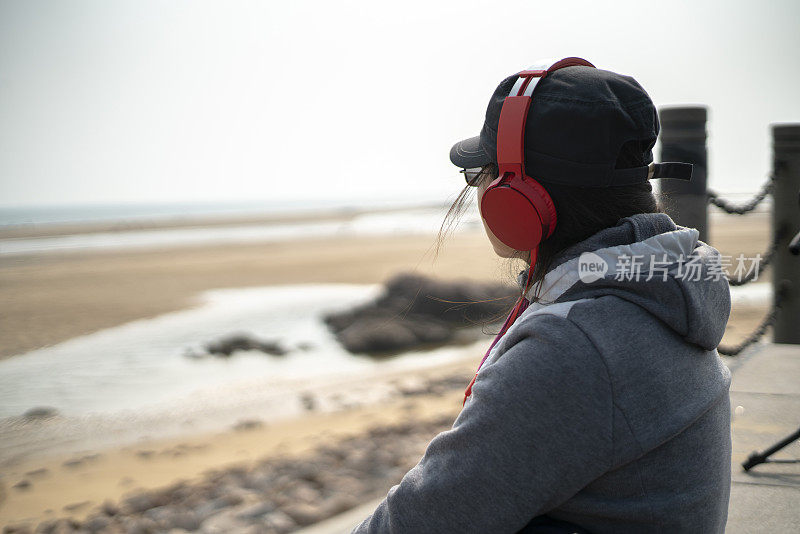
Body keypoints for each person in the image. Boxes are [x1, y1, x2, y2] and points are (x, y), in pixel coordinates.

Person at [352, 59, 732, 533]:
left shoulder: (575, 346)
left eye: (479, 175)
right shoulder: (663, 290)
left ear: (517, 198)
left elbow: (419, 522)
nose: (478, 190)